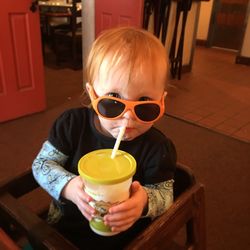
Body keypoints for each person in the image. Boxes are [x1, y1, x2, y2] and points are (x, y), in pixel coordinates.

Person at [32, 26, 177, 249]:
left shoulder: (158, 148)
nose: (127, 118)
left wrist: (144, 202)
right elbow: (42, 164)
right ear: (93, 94)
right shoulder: (72, 126)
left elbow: (165, 194)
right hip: (65, 228)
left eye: (145, 104)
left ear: (162, 101)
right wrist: (68, 186)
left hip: (127, 237)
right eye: (112, 100)